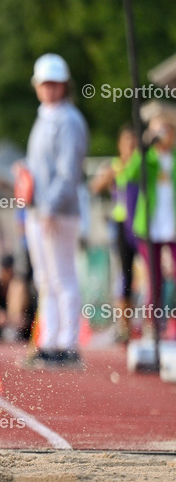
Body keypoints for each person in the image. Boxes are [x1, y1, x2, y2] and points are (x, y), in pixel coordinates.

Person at [19, 53, 89, 369]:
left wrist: (49, 206)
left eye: (55, 84)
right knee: (45, 279)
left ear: (64, 86)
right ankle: (49, 342)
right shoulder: (44, 117)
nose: (49, 89)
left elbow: (68, 171)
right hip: (39, 212)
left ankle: (68, 344)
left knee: (63, 277)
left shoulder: (69, 120)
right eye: (44, 83)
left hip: (58, 212)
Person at [120, 118, 176, 340]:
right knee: (154, 278)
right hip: (151, 227)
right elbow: (128, 176)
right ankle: (153, 325)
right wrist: (141, 151)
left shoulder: (172, 158)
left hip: (172, 225)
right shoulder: (147, 158)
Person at [89, 125, 139, 342]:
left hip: (143, 225)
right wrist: (109, 176)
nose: (130, 146)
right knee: (125, 275)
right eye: (126, 142)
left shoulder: (142, 166)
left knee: (148, 277)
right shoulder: (115, 166)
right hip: (122, 225)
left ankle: (151, 323)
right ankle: (124, 326)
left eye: (134, 142)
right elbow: (94, 186)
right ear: (120, 145)